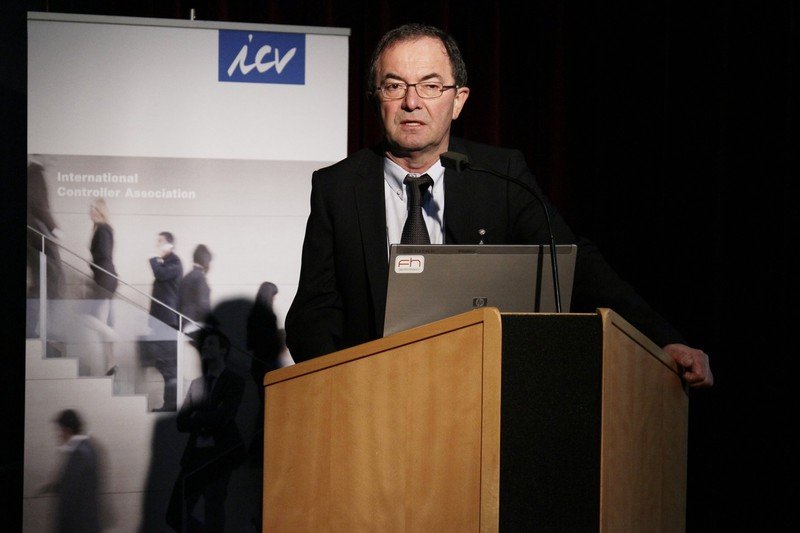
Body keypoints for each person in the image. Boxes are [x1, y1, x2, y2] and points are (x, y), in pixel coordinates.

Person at [284, 23, 713, 388]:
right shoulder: (338, 187)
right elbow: (313, 313)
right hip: (374, 396)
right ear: (375, 97)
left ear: (458, 100)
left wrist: (662, 338)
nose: (411, 102)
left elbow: (572, 261)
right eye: (395, 86)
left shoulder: (501, 175)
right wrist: (344, 387)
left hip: (483, 391)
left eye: (430, 86)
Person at [166, 327, 245, 533]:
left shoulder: (234, 381)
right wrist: (209, 417)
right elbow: (181, 422)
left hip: (219, 455)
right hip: (195, 456)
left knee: (213, 510)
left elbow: (225, 416)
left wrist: (198, 417)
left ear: (223, 350)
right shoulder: (196, 384)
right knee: (175, 515)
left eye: (211, 343)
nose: (205, 347)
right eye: (204, 343)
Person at [38, 409, 102, 533]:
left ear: (67, 430)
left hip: (78, 526)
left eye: (59, 430)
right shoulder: (90, 448)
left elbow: (69, 497)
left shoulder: (79, 454)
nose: (58, 435)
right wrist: (52, 487)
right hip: (86, 524)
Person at [147, 231, 184, 411]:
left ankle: (171, 404)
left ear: (170, 244)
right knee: (163, 362)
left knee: (168, 363)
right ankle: (169, 403)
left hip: (167, 321)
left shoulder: (175, 262)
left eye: (161, 241)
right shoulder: (167, 262)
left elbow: (160, 274)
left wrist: (154, 260)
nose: (158, 244)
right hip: (160, 321)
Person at [88, 197, 118, 327]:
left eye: (93, 208)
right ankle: (109, 337)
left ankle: (110, 337)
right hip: (106, 277)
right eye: (90, 209)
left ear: (100, 211)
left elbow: (104, 253)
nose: (90, 212)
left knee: (95, 317)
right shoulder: (103, 228)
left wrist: (92, 264)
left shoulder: (103, 229)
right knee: (101, 316)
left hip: (105, 278)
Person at [178, 244, 213, 337]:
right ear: (206, 261)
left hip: (184, 323)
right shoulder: (200, 277)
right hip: (195, 324)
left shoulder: (187, 277)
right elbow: (203, 304)